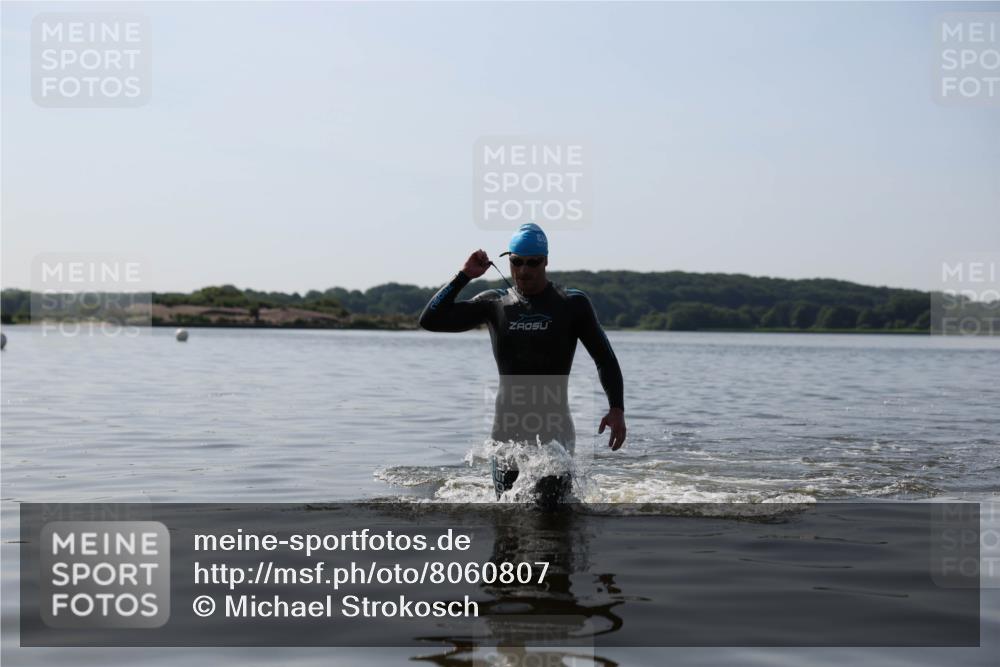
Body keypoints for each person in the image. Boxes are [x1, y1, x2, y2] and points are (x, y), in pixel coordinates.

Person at [419, 223, 626, 508]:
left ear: (546, 261)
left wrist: (616, 408)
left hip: (554, 433)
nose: (524, 270)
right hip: (506, 434)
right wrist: (464, 275)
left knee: (551, 518)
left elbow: (605, 358)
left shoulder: (571, 304)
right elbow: (430, 320)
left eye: (533, 262)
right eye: (517, 262)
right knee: (507, 525)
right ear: (509, 261)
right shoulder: (494, 303)